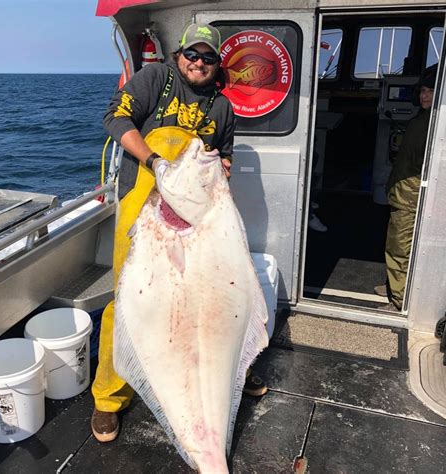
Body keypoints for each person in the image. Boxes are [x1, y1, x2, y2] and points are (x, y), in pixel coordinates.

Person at [91, 23, 267, 444]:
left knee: (208, 307)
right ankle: (109, 398)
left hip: (198, 218)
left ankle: (228, 375)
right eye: (193, 54)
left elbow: (224, 156)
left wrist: (217, 172)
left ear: (217, 64)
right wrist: (153, 161)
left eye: (208, 58)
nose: (199, 63)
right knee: (130, 303)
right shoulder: (157, 79)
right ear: (179, 55)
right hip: (146, 210)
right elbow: (115, 117)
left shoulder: (222, 108)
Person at [376, 64, 437, 311]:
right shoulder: (421, 119)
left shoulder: (436, 124)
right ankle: (394, 284)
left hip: (411, 196)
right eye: (422, 90)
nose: (424, 96)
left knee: (400, 247)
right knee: (399, 243)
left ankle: (399, 300)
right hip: (402, 192)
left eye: (431, 91)